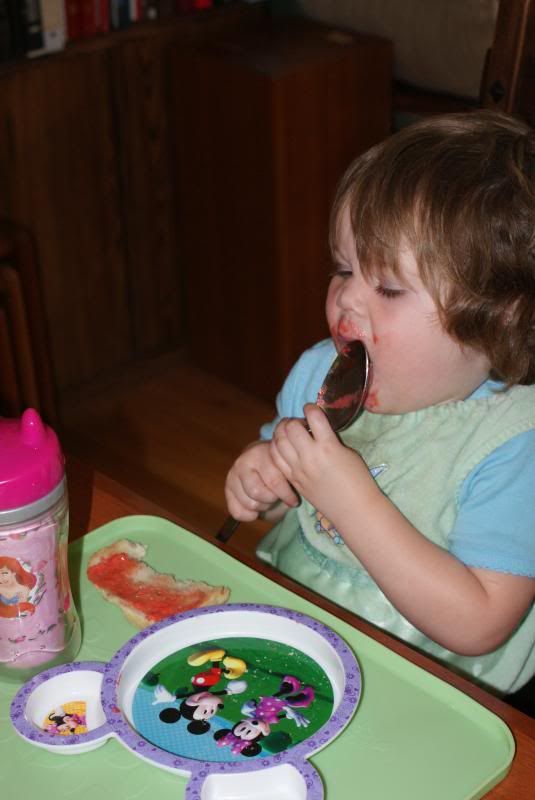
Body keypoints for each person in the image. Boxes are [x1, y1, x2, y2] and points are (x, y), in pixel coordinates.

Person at [224, 110, 535, 696]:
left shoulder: (514, 444)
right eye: (343, 269)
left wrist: (351, 498)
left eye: (388, 289)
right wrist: (263, 477)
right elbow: (286, 499)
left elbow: (479, 623)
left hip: (434, 688)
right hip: (300, 639)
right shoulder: (322, 374)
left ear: (495, 320)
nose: (347, 300)